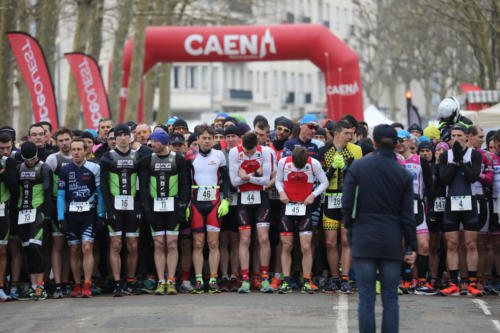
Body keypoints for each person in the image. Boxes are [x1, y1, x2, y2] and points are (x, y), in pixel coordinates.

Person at [342, 124, 417, 333]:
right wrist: (411, 246)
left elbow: (347, 204)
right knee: (390, 299)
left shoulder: (359, 167)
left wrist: (350, 229)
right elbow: (408, 215)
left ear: (373, 142)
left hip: (364, 238)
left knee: (366, 297)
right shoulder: (402, 173)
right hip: (391, 240)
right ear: (396, 144)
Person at [140, 130, 189, 295]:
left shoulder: (178, 160)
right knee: (159, 244)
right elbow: (144, 187)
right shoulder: (148, 160)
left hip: (173, 207)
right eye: (151, 141)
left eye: (155, 141)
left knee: (172, 244)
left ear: (165, 142)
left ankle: (171, 280)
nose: (152, 144)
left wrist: (182, 206)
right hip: (155, 207)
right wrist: (147, 209)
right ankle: (161, 281)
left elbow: (184, 185)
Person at [275, 146, 328, 293]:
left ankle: (306, 280)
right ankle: (286, 281)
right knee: (287, 245)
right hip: (288, 206)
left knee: (306, 246)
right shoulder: (283, 162)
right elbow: (278, 181)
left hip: (305, 207)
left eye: (301, 166)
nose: (299, 168)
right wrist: (281, 192)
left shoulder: (314, 163)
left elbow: (325, 182)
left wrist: (313, 195)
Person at [438, 124, 483, 296]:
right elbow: (445, 180)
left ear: (466, 137)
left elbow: (472, 177)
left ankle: (471, 282)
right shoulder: (445, 156)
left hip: (469, 201)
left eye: (459, 135)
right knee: (452, 244)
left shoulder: (475, 154)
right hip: (452, 203)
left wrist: (462, 160)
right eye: (453, 136)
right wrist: (455, 160)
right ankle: (454, 282)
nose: (455, 139)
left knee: (471, 244)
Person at [318, 120, 362, 293]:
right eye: (346, 133)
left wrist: (344, 168)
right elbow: (320, 180)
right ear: (336, 134)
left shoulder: (356, 150)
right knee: (330, 242)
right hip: (329, 198)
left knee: (346, 240)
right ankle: (334, 278)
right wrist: (330, 171)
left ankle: (345, 278)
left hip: (348, 199)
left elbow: (358, 176)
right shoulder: (323, 151)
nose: (350, 137)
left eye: (351, 133)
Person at [185, 124, 230, 294]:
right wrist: (186, 204)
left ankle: (212, 279)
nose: (206, 141)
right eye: (203, 138)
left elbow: (225, 180)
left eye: (209, 138)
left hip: (214, 203)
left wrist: (225, 201)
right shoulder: (190, 156)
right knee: (198, 243)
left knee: (213, 243)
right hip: (196, 203)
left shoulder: (219, 156)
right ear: (197, 140)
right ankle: (198, 280)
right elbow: (185, 183)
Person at [57, 138, 104, 298]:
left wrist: (100, 214)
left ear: (85, 151)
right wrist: (60, 217)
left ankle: (87, 284)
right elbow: (61, 196)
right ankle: (77, 284)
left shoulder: (94, 168)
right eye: (73, 149)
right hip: (71, 215)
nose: (76, 152)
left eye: (79, 149)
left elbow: (100, 193)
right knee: (74, 250)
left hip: (88, 214)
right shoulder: (64, 170)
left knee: (87, 247)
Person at [100, 124, 142, 296]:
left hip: (133, 206)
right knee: (116, 245)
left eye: (126, 135)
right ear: (115, 138)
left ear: (130, 137)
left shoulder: (137, 156)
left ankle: (130, 281)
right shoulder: (107, 157)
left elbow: (142, 184)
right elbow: (103, 186)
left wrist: (140, 207)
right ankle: (117, 282)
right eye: (120, 135)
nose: (123, 138)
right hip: (115, 207)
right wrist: (108, 209)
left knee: (132, 245)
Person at [228, 132, 272, 293]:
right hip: (243, 199)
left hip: (261, 198)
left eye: (251, 151)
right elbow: (234, 182)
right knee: (245, 239)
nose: (248, 154)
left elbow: (266, 180)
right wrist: (256, 174)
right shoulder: (234, 152)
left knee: (263, 238)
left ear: (257, 145)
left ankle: (264, 278)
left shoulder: (265, 152)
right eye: (246, 151)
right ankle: (245, 279)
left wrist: (247, 176)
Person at [17, 142, 54, 300]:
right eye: (27, 159)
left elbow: (48, 192)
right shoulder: (19, 168)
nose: (30, 162)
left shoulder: (44, 168)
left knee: (35, 248)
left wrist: (47, 216)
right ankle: (33, 288)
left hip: (37, 212)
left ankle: (40, 286)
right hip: (21, 213)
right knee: (27, 250)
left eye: (33, 159)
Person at [45, 127, 74, 298]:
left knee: (71, 247)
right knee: (58, 245)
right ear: (56, 142)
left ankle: (65, 282)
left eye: (66, 139)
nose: (64, 143)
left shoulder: (79, 156)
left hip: (77, 206)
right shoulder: (52, 159)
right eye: (60, 140)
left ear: (72, 139)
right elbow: (47, 187)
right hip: (58, 206)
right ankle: (57, 284)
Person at [219, 125, 242, 292]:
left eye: (233, 136)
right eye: (228, 136)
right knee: (222, 240)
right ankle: (224, 275)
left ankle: (234, 274)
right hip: (220, 200)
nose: (230, 139)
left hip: (238, 199)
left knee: (235, 240)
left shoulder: (242, 154)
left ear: (239, 138)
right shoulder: (219, 154)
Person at [0, 133, 18, 301]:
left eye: (8, 148)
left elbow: (13, 186)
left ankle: (1, 287)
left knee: (3, 250)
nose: (5, 151)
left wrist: (4, 174)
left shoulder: (9, 162)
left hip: (3, 210)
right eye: (1, 148)